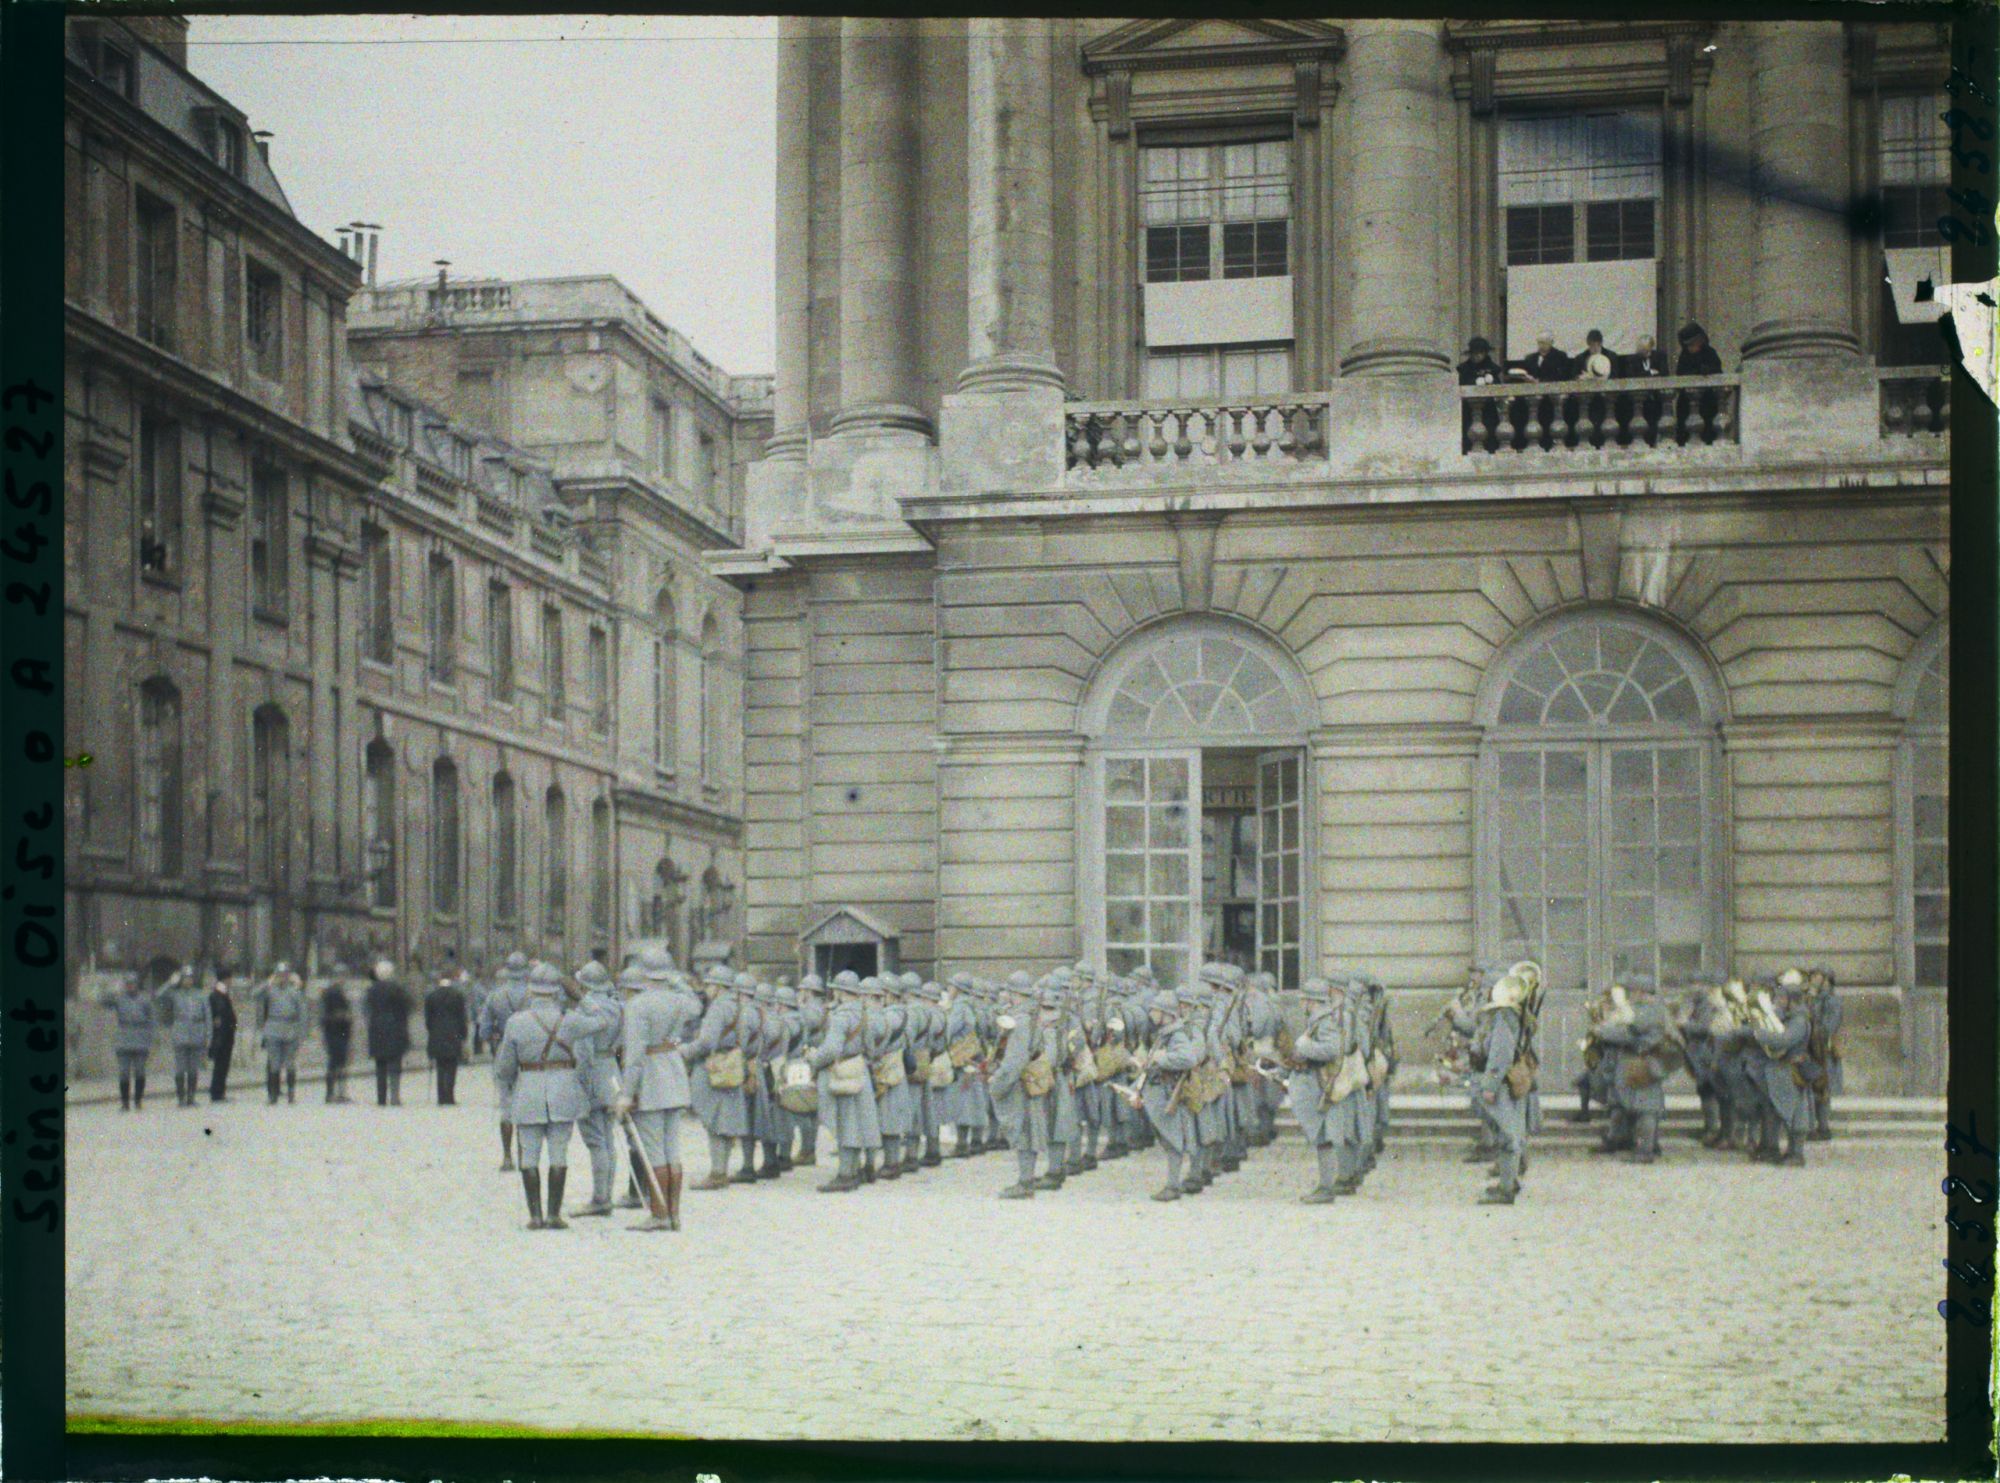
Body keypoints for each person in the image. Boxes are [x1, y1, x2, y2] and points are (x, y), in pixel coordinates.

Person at [492, 962, 613, 1229]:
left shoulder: (516, 1023)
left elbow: (504, 1068)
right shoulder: (569, 1020)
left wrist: (509, 1092)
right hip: (563, 1091)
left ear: (531, 991)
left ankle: (535, 1216)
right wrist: (583, 998)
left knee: (530, 1154)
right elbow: (604, 1021)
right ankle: (554, 1214)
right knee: (559, 1152)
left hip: (529, 1091)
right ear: (557, 992)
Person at [615, 947, 697, 1230]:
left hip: (650, 1078)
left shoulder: (638, 1005)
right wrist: (677, 980)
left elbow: (634, 1057)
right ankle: (674, 1214)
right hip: (674, 1073)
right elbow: (696, 1004)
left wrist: (626, 1093)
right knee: (672, 1149)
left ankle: (659, 1214)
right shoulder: (681, 1001)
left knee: (653, 1152)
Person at [800, 969, 882, 1193]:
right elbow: (870, 1048)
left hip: (841, 1073)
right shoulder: (863, 1014)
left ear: (839, 991)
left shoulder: (840, 1016)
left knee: (845, 1123)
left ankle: (846, 1173)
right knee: (856, 1122)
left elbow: (831, 1050)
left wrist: (814, 1060)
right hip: (858, 1070)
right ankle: (853, 1170)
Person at [1286, 978, 1364, 1203]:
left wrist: (1304, 1047)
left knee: (1324, 1137)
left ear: (1311, 1001)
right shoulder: (1319, 1019)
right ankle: (1325, 1185)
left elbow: (1332, 1049)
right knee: (1322, 1137)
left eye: (1304, 999)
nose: (1301, 1003)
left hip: (1320, 1085)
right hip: (1315, 1084)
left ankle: (1326, 1187)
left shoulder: (1325, 1021)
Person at [683, 964, 755, 1189]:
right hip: (733, 1066)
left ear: (718, 986)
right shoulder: (741, 1007)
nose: (707, 989)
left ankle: (716, 1173)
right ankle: (721, 1170)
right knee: (725, 1120)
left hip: (714, 1068)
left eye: (710, 984)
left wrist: (684, 1051)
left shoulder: (718, 1007)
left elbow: (706, 1042)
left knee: (713, 1121)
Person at [1131, 988, 1204, 1201]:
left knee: (1173, 1142)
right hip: (1158, 1092)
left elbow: (1188, 1059)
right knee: (1168, 1141)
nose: (1152, 1015)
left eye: (1156, 1011)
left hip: (1168, 1094)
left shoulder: (1177, 1034)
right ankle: (1173, 1184)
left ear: (1167, 1014)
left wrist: (1161, 1058)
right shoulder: (1165, 1034)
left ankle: (1173, 1186)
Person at [1591, 977, 1671, 1163]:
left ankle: (1646, 1151)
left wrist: (1602, 1032)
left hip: (1644, 1063)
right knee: (1622, 1103)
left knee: (1645, 1108)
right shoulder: (1645, 1009)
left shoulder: (1651, 1011)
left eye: (1633, 991)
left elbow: (1626, 1033)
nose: (1631, 995)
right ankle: (1620, 1140)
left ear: (1642, 992)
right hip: (1633, 1062)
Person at [1471, 971, 1533, 1205]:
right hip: (1504, 1083)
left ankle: (1506, 1188)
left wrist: (1490, 1084)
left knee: (1507, 1136)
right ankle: (1510, 1180)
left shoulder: (1504, 1016)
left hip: (1501, 1084)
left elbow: (1500, 1053)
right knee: (1506, 1132)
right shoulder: (1506, 1014)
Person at [988, 976, 1051, 1199]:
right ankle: (1026, 1180)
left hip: (1019, 1083)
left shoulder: (1021, 1021)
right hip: (1028, 1081)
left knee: (1023, 1130)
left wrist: (997, 1085)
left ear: (1014, 994)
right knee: (1027, 1129)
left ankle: (1025, 1183)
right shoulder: (1032, 1017)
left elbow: (1014, 1061)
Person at [569, 959, 623, 1214]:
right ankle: (606, 1195)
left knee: (595, 1140)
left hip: (592, 1076)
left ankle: (600, 1199)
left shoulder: (584, 1012)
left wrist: (580, 1084)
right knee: (608, 1138)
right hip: (611, 1071)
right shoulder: (617, 1007)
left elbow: (583, 1053)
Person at [481, 953, 531, 1168]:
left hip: (503, 1049)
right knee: (527, 1104)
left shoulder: (495, 996)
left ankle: (507, 1156)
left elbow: (483, 1030)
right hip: (530, 1051)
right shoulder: (534, 995)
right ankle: (524, 1155)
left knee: (506, 1104)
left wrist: (494, 1036)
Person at [257, 962, 309, 1105]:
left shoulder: (295, 991)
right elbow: (254, 994)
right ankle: (273, 1095)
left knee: (290, 1064)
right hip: (273, 1029)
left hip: (290, 1029)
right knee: (274, 1064)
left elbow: (302, 1013)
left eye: (285, 975)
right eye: (279, 975)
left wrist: (302, 1033)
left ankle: (291, 1094)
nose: (282, 978)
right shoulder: (270, 990)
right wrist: (267, 983)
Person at [363, 958, 413, 1106]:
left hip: (376, 1030)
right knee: (395, 1064)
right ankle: (395, 1096)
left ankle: (381, 1097)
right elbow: (407, 1007)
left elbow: (367, 1010)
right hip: (395, 1029)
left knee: (380, 1065)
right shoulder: (398, 989)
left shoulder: (371, 990)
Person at [164, 967, 212, 1108]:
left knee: (193, 1068)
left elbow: (207, 1015)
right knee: (180, 1069)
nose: (188, 981)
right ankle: (180, 1098)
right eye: (185, 978)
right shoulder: (175, 994)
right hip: (180, 1033)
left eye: (190, 978)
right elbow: (159, 995)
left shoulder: (201, 995)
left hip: (197, 1032)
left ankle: (191, 1097)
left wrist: (208, 1035)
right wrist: (170, 983)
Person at [1805, 967, 1843, 1142]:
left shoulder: (1832, 1000)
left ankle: (1823, 1127)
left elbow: (1828, 1027)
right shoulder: (1814, 998)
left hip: (1824, 1051)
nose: (1813, 980)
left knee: (1823, 1090)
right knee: (1814, 1089)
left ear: (1826, 980)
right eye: (1812, 976)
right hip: (1814, 1049)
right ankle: (1815, 1126)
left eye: (1817, 977)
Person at [112, 973, 160, 1111]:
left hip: (140, 1037)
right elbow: (103, 1000)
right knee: (124, 1073)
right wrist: (114, 989)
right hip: (124, 1038)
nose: (130, 987)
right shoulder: (119, 999)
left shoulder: (145, 1000)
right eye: (127, 984)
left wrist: (152, 1039)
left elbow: (152, 1020)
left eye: (132, 984)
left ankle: (138, 1101)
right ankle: (125, 1102)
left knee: (140, 1071)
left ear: (137, 985)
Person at [424, 968, 469, 1106]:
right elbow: (462, 1017)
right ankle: (449, 1096)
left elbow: (428, 1019)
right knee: (452, 1066)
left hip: (437, 1034)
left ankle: (440, 1096)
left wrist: (431, 1030)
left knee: (440, 1066)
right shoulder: (457, 995)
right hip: (453, 1034)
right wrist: (463, 1034)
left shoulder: (431, 996)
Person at [321, 974, 355, 1102]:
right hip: (336, 1031)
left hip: (335, 1032)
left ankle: (335, 1092)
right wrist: (345, 1017)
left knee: (337, 1063)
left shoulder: (333, 993)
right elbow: (336, 1014)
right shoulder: (334, 994)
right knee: (337, 1063)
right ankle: (335, 1093)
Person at [206, 972, 237, 1103]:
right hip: (221, 1035)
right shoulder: (217, 995)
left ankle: (220, 1091)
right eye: (230, 979)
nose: (231, 981)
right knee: (220, 1064)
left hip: (226, 1034)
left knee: (223, 1065)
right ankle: (216, 1092)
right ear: (226, 979)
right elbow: (220, 1015)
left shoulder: (223, 994)